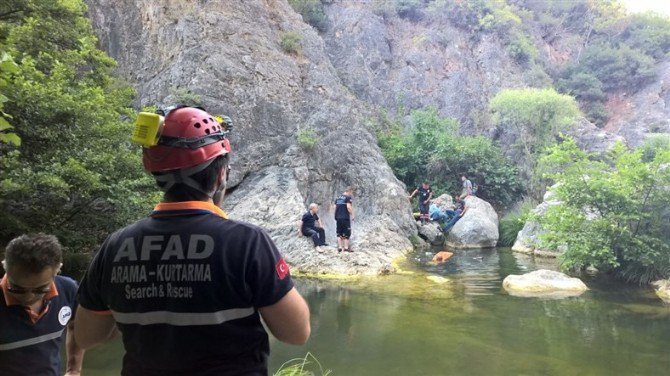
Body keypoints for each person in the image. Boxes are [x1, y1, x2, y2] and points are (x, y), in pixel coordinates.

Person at [74, 106, 310, 375]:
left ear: (155, 173)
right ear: (221, 175)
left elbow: (86, 337)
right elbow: (296, 332)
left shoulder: (115, 246)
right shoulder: (246, 242)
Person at [0, 234, 84, 376]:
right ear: (4, 267)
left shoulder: (68, 290)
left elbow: (76, 325)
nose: (29, 297)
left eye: (40, 290)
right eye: (17, 288)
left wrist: (74, 370)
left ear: (57, 270)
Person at [334, 186, 354, 253]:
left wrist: (335, 216)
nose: (351, 194)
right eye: (351, 192)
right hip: (345, 218)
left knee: (339, 233)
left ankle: (339, 248)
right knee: (347, 232)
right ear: (350, 191)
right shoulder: (348, 198)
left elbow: (334, 207)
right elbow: (348, 207)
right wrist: (352, 214)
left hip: (338, 218)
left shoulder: (338, 198)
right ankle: (345, 248)